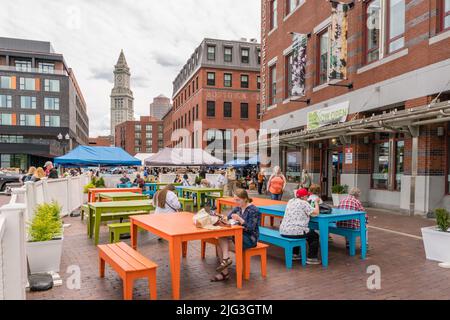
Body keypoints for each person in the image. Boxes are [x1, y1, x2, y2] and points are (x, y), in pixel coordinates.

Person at [212, 189, 261, 282]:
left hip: (250, 238)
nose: (236, 202)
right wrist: (221, 217)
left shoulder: (254, 210)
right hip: (238, 235)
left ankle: (224, 270)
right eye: (235, 200)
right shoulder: (238, 208)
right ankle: (225, 267)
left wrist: (240, 219)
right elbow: (228, 218)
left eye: (238, 200)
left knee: (221, 245)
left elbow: (251, 228)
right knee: (221, 239)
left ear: (245, 199)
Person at [280, 188, 321, 265]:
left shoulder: (290, 201)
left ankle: (295, 254)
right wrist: (316, 202)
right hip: (296, 231)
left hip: (283, 230)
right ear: (302, 197)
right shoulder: (304, 203)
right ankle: (312, 258)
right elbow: (316, 212)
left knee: (297, 229)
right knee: (314, 236)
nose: (307, 198)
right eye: (306, 196)